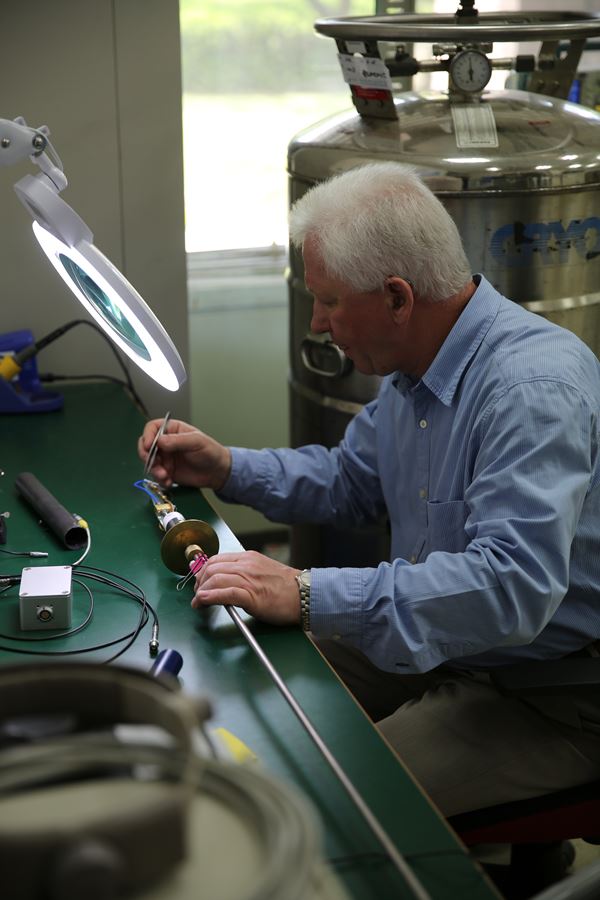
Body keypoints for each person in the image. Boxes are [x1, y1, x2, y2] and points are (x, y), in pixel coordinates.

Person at [139, 162, 600, 818]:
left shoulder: (530, 392)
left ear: (396, 298)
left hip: (553, 692)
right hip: (455, 639)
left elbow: (508, 590)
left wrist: (304, 590)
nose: (320, 323)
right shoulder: (416, 371)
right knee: (247, 669)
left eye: (328, 300)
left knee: (331, 799)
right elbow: (352, 482)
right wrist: (225, 467)